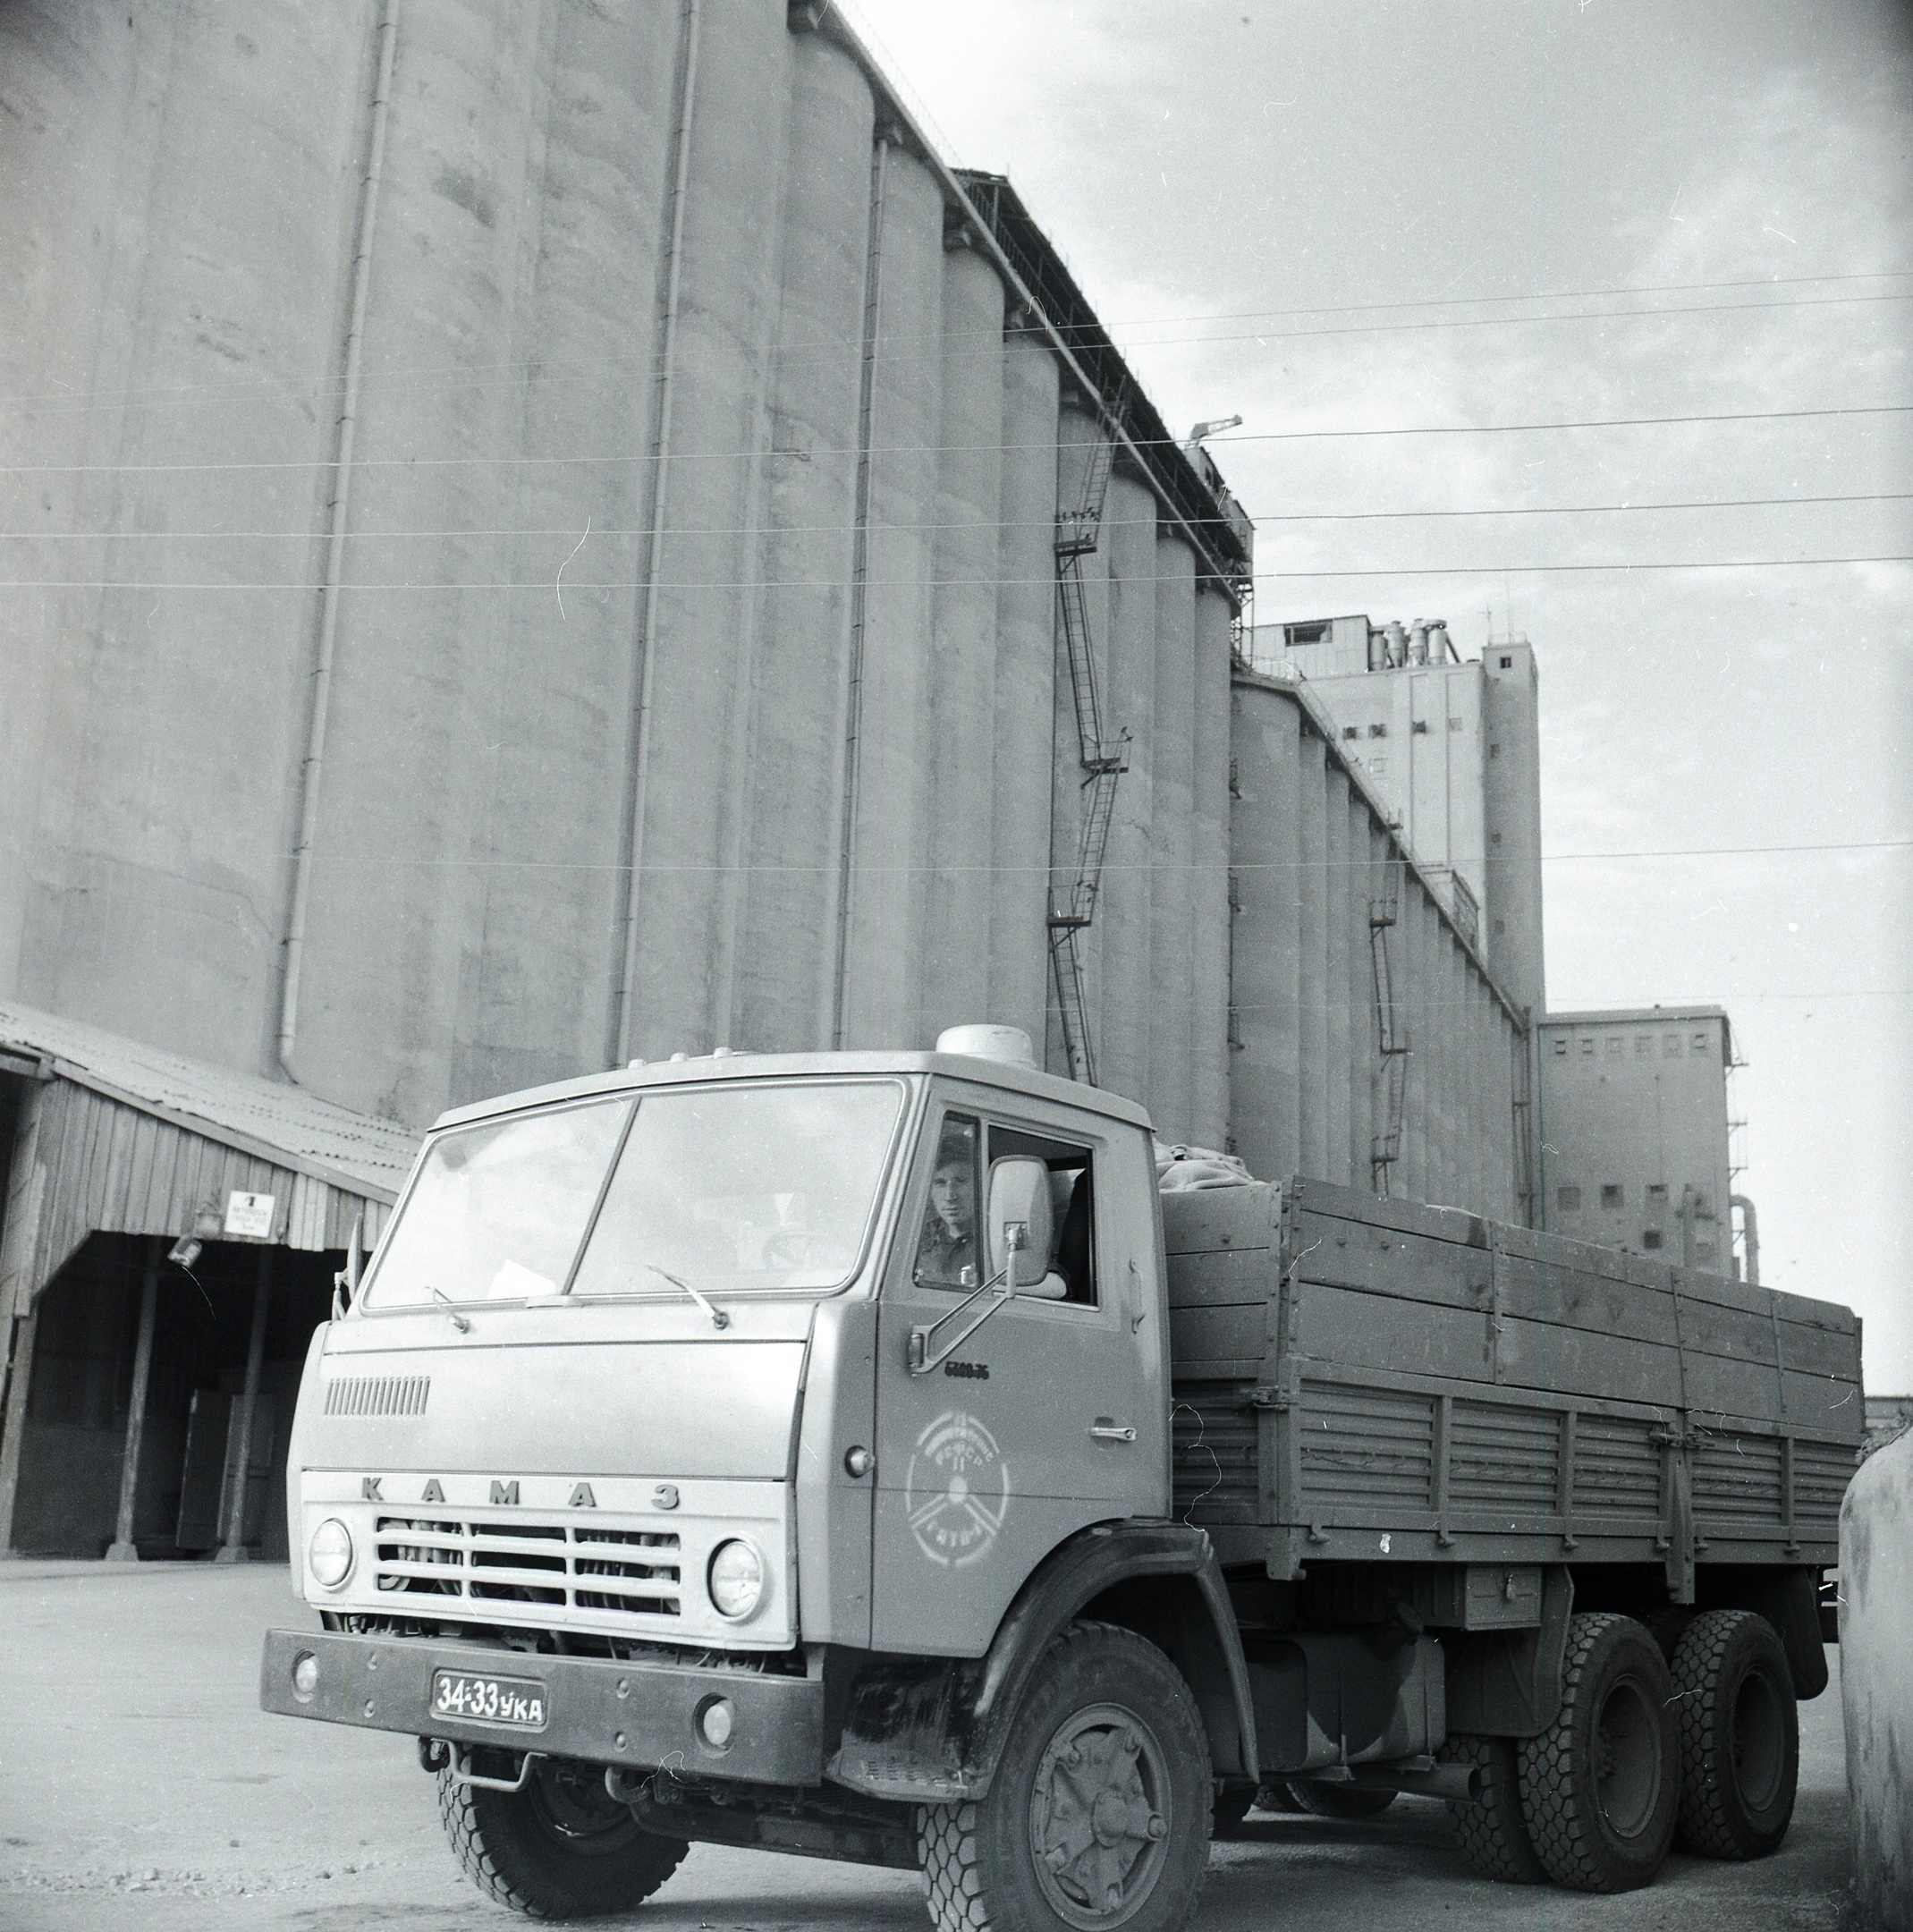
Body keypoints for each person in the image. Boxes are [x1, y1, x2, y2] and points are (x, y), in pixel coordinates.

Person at [916, 1137, 978, 1286]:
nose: (950, 1196)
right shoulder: (919, 1238)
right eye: (940, 1183)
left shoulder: (994, 1241)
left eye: (961, 1182)